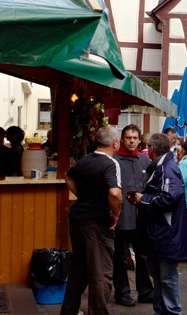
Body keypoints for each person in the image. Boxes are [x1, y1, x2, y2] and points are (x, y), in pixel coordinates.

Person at [59, 127, 122, 315]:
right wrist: (115, 213)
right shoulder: (111, 164)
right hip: (96, 223)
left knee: (78, 271)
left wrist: (83, 196)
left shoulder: (85, 160)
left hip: (77, 221)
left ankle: (68, 312)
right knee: (100, 275)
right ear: (115, 143)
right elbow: (114, 192)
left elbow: (67, 176)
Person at [128, 133, 187, 315]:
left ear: (152, 149)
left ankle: (172, 312)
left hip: (166, 233)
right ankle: (161, 311)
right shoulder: (161, 166)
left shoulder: (167, 168)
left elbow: (170, 198)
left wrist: (143, 199)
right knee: (159, 276)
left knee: (167, 278)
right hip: (158, 233)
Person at [112, 124, 153, 306]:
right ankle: (122, 293)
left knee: (143, 257)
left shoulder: (144, 162)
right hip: (120, 218)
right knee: (120, 258)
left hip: (141, 218)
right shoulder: (114, 160)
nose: (132, 141)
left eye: (135, 138)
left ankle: (145, 292)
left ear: (139, 140)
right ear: (122, 139)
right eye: (128, 138)